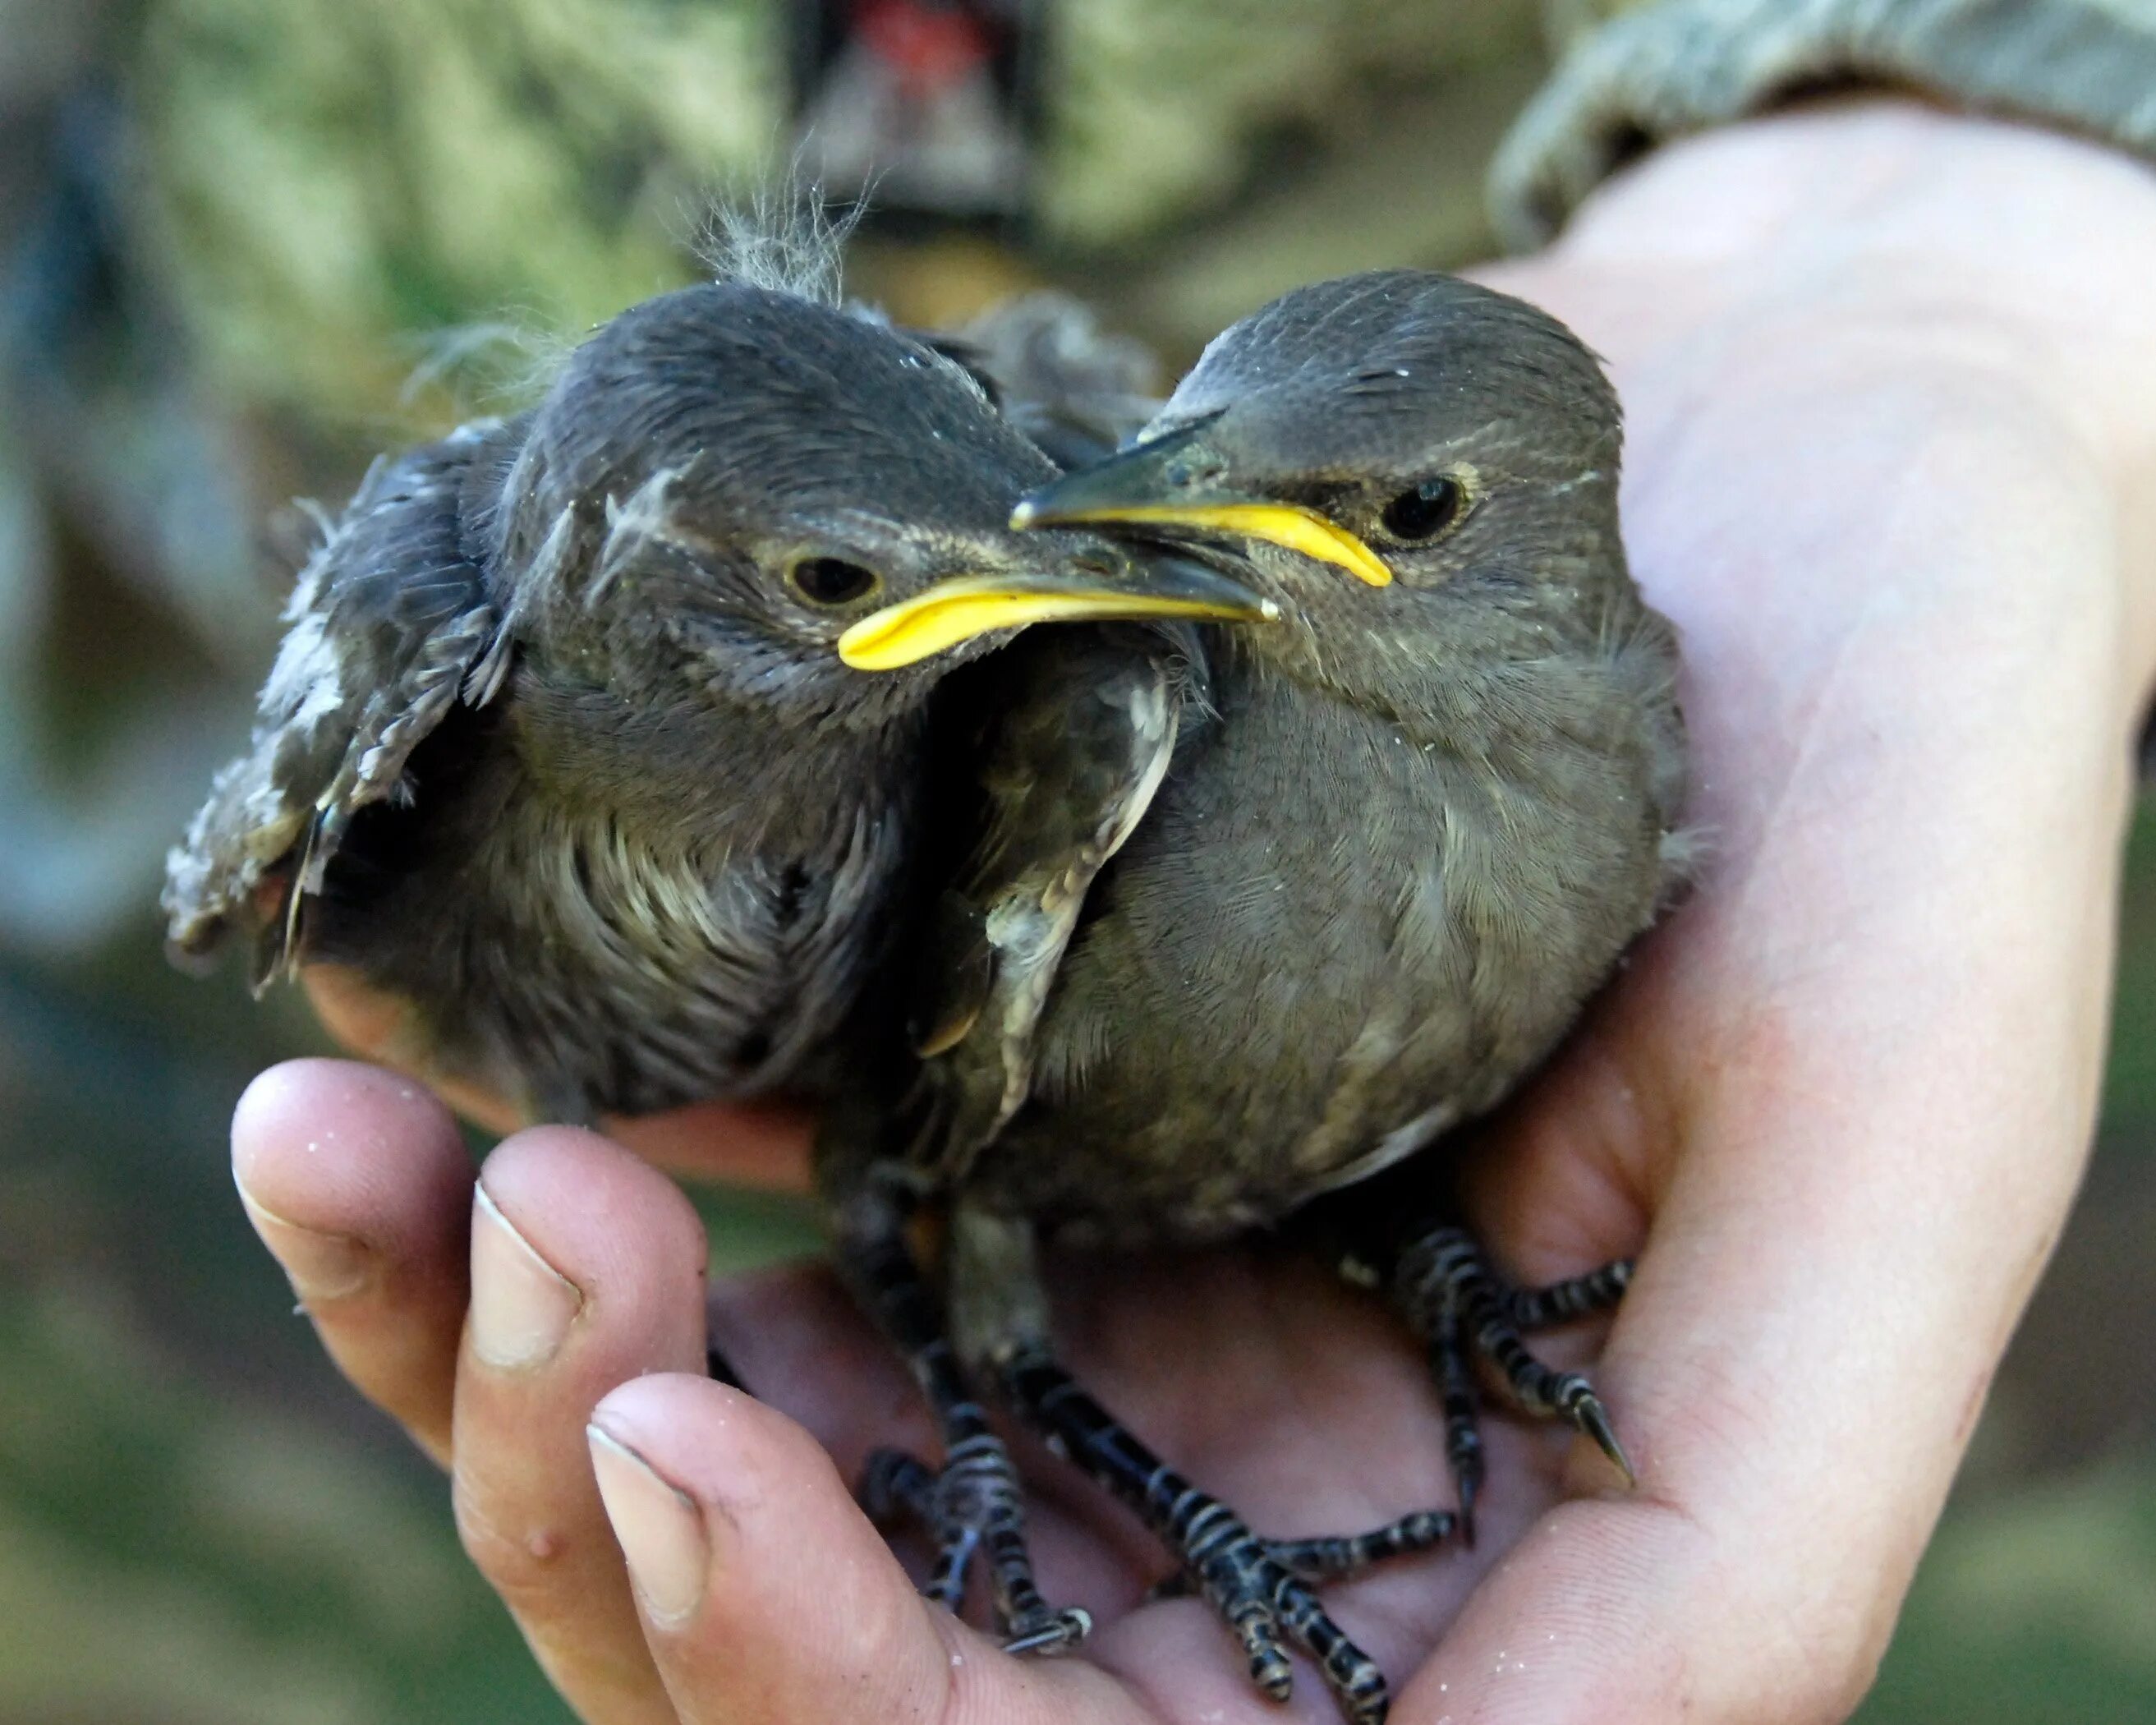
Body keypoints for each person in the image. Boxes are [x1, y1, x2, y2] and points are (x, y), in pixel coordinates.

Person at [218, 7, 2156, 1723]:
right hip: (291, 542)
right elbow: (917, 1123)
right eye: (1183, 456)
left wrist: (1972, 254)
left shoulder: (1622, 745)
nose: (1177, 527)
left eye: (1384, 515)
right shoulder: (1111, 704)